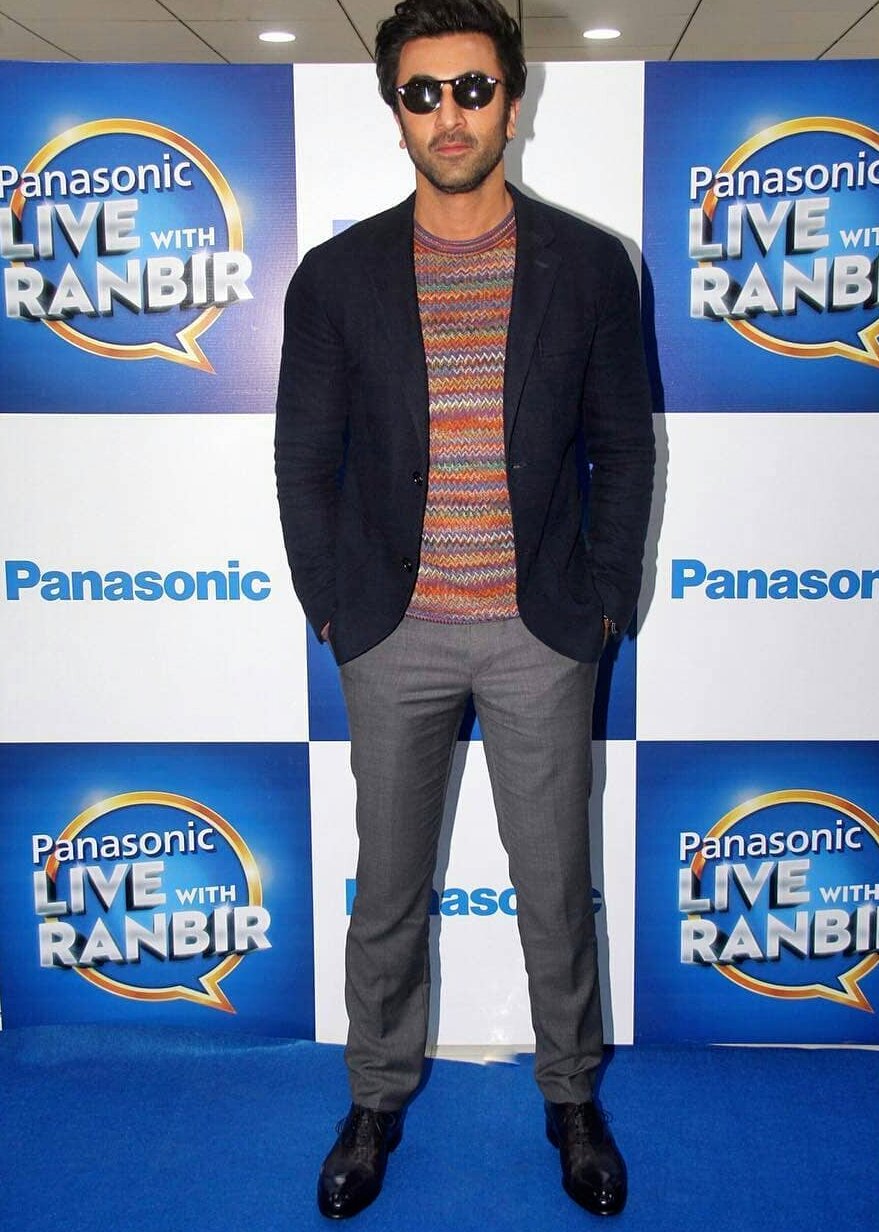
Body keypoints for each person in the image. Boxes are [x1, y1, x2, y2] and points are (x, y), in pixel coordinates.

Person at [275, 0, 654, 1219]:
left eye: (473, 89)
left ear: (514, 100)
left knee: (554, 887)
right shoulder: (335, 278)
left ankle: (571, 1096)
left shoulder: (590, 265)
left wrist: (602, 603)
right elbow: (304, 458)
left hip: (543, 632)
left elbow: (623, 448)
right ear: (395, 109)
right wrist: (334, 609)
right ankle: (374, 1098)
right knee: (389, 891)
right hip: (393, 634)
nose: (451, 115)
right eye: (424, 92)